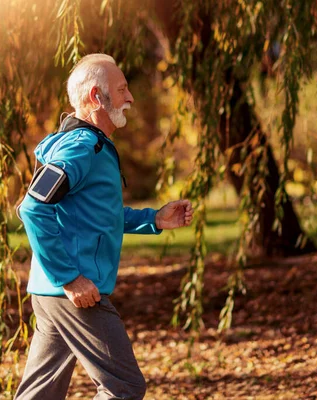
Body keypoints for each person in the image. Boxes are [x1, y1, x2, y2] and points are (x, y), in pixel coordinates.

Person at [15, 53, 193, 400]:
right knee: (124, 387)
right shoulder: (83, 147)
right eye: (122, 89)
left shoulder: (90, 146)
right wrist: (69, 278)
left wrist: (153, 219)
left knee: (40, 395)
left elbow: (95, 215)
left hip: (50, 292)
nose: (129, 98)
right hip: (76, 294)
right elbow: (33, 207)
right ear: (97, 97)